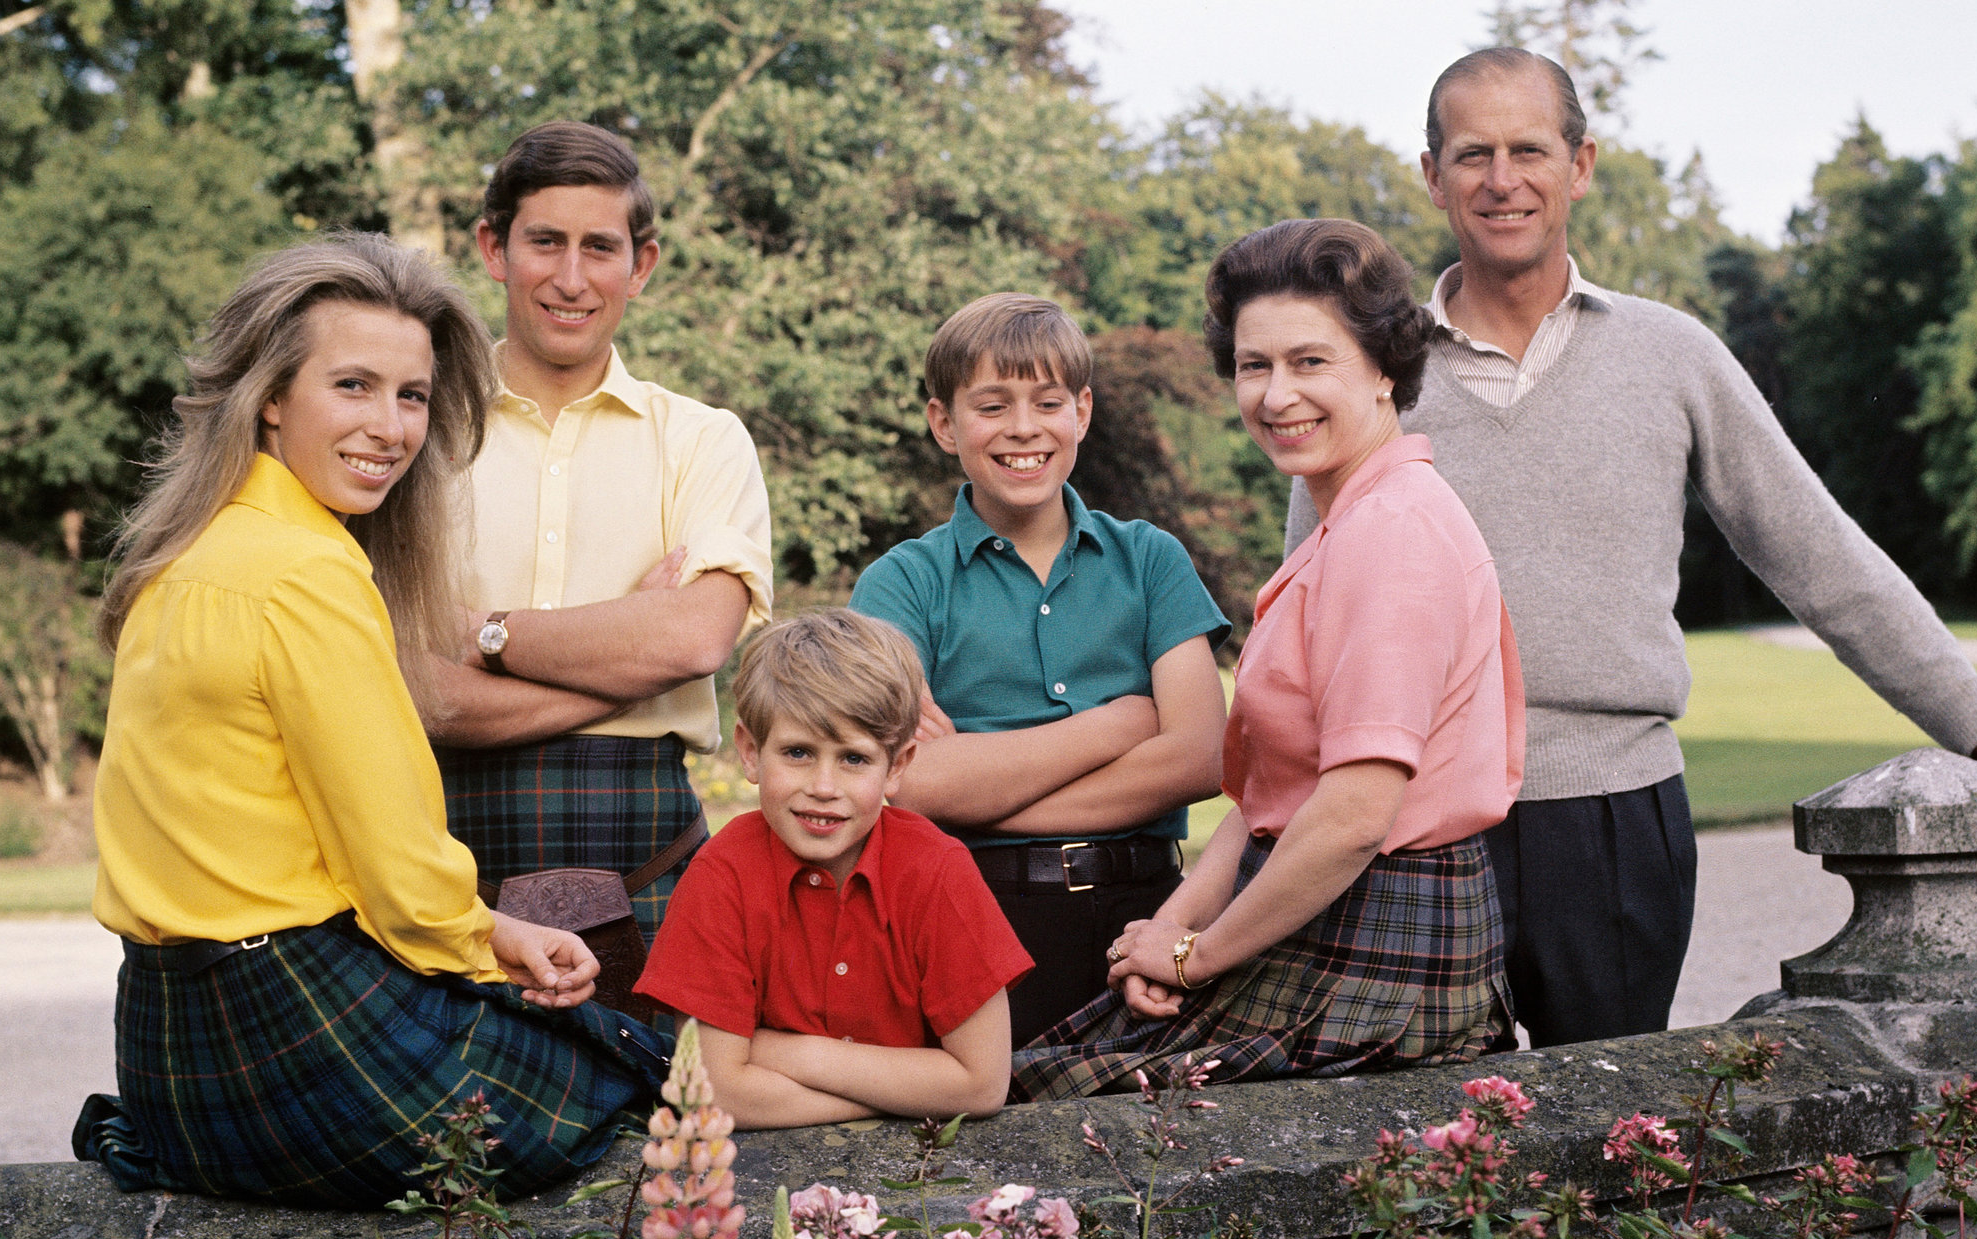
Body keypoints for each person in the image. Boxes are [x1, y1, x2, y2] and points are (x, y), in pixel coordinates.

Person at [1282, 47, 1977, 1049]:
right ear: (1431, 175)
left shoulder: (1671, 355)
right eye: (1472, 153)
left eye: (1529, 150)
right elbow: (1310, 623)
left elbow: (1819, 556)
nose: (1503, 180)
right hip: (1417, 826)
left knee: (1615, 1139)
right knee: (1428, 1155)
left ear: (1580, 164)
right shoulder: (1372, 374)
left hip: (1617, 821)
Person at [73, 234, 670, 1207]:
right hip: (292, 1034)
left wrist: (487, 941)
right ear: (271, 396)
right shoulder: (307, 573)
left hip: (166, 1048)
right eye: (352, 385)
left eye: (412, 395)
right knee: (628, 1071)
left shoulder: (185, 554)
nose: (391, 427)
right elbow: (400, 880)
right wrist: (491, 939)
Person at [1013, 219, 1523, 1101]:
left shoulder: (1393, 531)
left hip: (1381, 937)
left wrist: (1196, 954)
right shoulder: (1350, 523)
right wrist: (1169, 933)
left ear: (1385, 370)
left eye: (1310, 362)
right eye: (1255, 366)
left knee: (1039, 1109)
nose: (1277, 395)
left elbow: (1354, 815)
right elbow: (1268, 809)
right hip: (1320, 909)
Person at [850, 293, 1230, 1048]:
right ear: (944, 424)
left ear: (1081, 412)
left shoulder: (1150, 559)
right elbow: (909, 780)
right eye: (992, 406)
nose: (1023, 428)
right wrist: (1121, 722)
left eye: (1047, 402)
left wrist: (980, 797)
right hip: (973, 915)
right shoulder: (899, 586)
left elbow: (1201, 756)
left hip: (1146, 916)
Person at [427, 121, 773, 950]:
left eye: (600, 247)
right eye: (545, 241)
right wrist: (626, 657)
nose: (571, 278)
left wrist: (482, 634)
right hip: (439, 865)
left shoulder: (703, 439)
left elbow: (695, 640)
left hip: (652, 859)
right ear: (493, 247)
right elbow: (415, 693)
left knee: (669, 1087)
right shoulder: (417, 434)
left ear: (640, 265)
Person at [632, 610, 1032, 1128]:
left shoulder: (937, 871)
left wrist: (795, 1055)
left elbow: (981, 1084)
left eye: (854, 759)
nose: (824, 785)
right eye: (798, 752)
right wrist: (907, 1096)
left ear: (899, 766)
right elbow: (714, 1092)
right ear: (751, 753)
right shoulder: (722, 875)